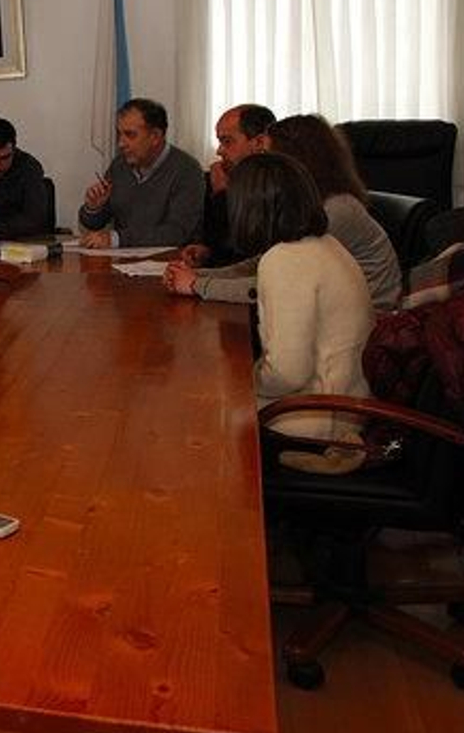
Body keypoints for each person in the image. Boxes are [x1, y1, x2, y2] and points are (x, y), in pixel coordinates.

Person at [228, 152, 374, 475]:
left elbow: (288, 373)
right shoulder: (327, 245)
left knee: (203, 410)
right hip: (350, 406)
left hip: (315, 416)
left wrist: (244, 380)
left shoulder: (284, 260)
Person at [166, 114, 402, 311]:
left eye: (268, 155)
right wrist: (201, 275)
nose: (263, 163)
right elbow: (265, 262)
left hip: (368, 321)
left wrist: (198, 285)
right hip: (327, 307)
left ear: (294, 161)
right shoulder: (305, 202)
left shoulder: (335, 211)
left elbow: (279, 285)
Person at [77, 97, 204, 248]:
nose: (121, 144)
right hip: (123, 259)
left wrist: (118, 239)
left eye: (130, 135)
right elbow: (94, 224)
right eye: (119, 134)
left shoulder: (187, 169)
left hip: (169, 260)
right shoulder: (119, 165)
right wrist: (94, 208)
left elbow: (177, 232)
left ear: (155, 137)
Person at [182, 104, 275, 268]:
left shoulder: (276, 185)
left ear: (260, 142)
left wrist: (222, 195)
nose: (219, 151)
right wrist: (207, 253)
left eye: (227, 141)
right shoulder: (220, 178)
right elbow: (222, 247)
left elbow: (248, 257)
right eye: (219, 142)